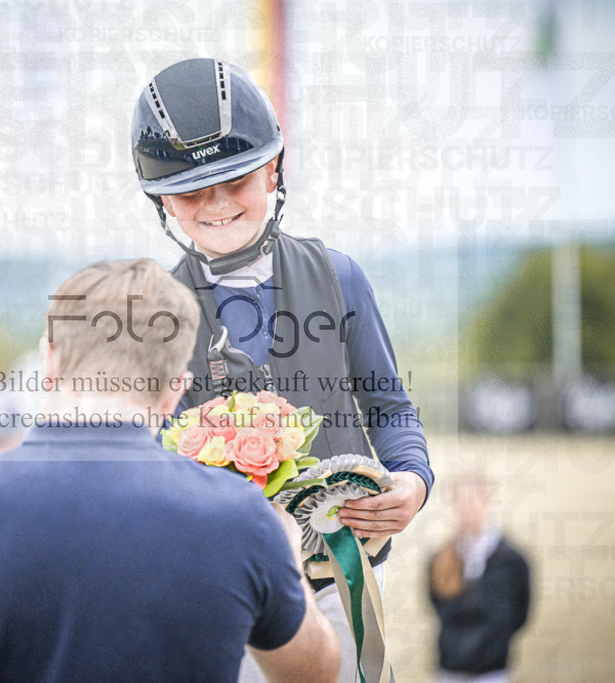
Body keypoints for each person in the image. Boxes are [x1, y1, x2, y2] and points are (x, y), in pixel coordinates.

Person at [0, 259, 340, 682]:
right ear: (175, 392)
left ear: (49, 363)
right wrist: (288, 553)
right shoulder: (241, 520)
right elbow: (313, 677)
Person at [131, 57, 433, 680]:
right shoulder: (156, 309)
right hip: (218, 597)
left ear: (272, 170)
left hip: (337, 581)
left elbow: (390, 409)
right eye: (191, 191)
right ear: (162, 200)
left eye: (236, 180)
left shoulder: (338, 276)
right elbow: (144, 454)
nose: (216, 205)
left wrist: (412, 479)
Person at [428, 474, 531, 682]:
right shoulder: (439, 559)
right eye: (460, 500)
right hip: (450, 669)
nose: (467, 508)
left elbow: (521, 613)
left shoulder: (511, 559)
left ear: (488, 501)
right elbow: (436, 606)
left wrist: (494, 644)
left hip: (491, 671)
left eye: (472, 499)